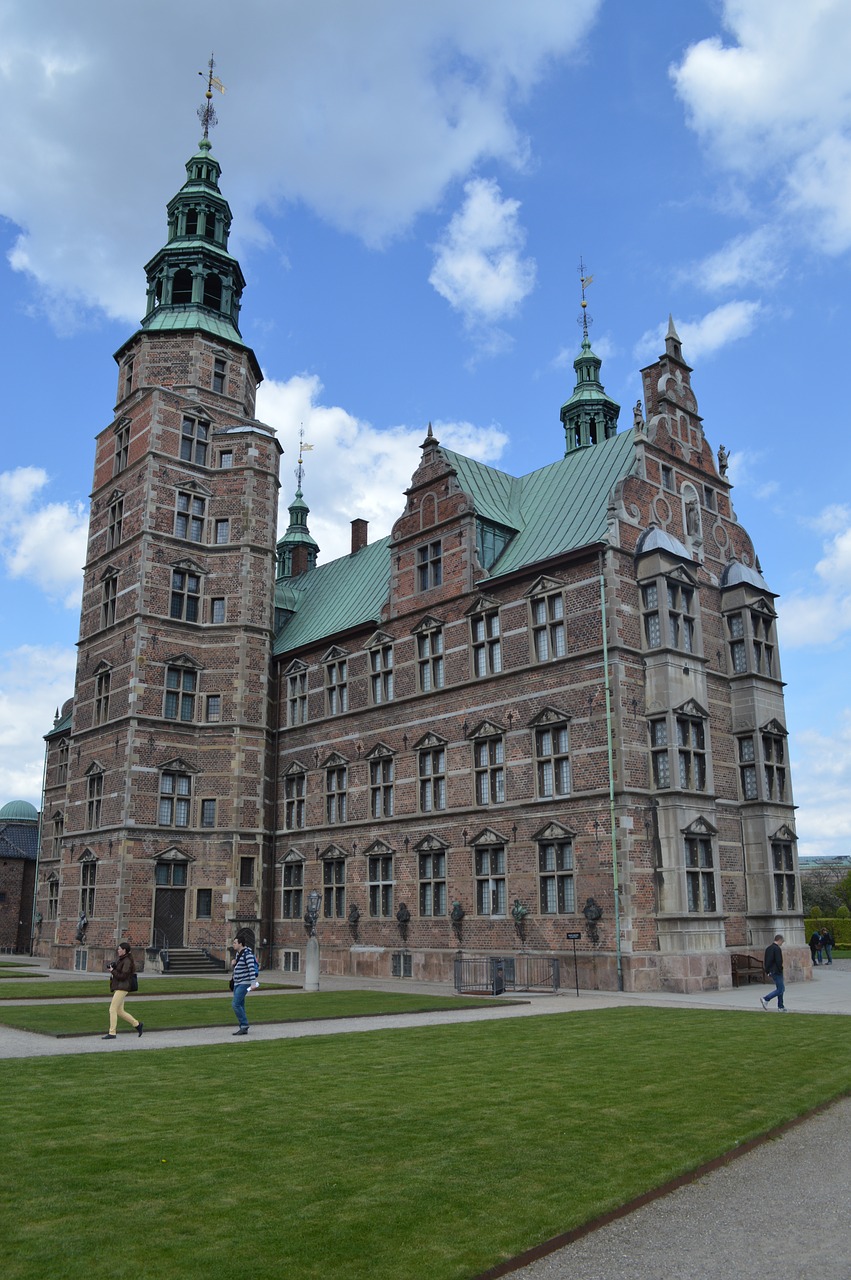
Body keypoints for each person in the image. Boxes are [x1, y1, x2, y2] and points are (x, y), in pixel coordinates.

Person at [102, 941, 143, 1040]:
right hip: (120, 987)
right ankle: (137, 1024)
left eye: (119, 949)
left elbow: (123, 976)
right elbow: (120, 972)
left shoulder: (127, 961)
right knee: (120, 1011)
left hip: (123, 987)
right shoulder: (122, 959)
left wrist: (113, 971)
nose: (118, 950)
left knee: (112, 1009)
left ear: (124, 950)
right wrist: (114, 968)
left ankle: (112, 1032)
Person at [230, 931, 260, 1036]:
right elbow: (240, 968)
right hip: (238, 982)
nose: (233, 944)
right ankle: (243, 1027)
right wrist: (234, 964)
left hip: (245, 983)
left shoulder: (248, 954)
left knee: (235, 1004)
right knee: (240, 1004)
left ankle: (244, 1025)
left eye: (235, 942)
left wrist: (253, 983)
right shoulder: (238, 954)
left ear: (240, 944)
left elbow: (251, 969)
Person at [760, 934, 787, 1012]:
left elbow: (766, 961)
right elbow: (779, 961)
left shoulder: (768, 948)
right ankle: (766, 998)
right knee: (781, 989)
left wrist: (767, 971)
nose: (782, 943)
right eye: (782, 941)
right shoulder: (777, 949)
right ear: (780, 940)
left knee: (780, 988)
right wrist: (780, 969)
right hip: (777, 971)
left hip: (772, 971)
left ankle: (780, 1006)